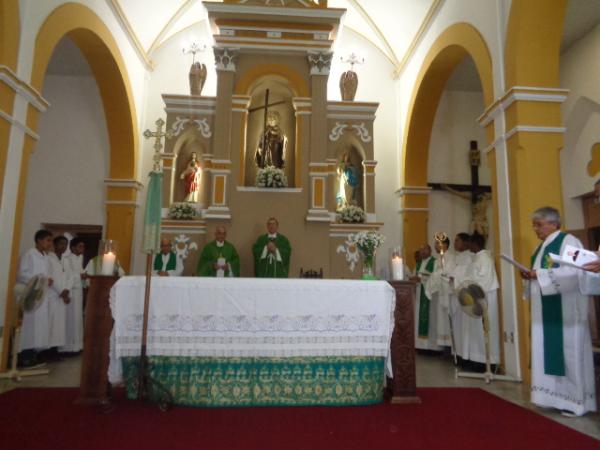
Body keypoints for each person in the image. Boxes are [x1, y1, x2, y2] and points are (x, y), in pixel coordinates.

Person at [520, 206, 596, 416]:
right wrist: (529, 276)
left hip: (566, 311)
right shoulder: (541, 247)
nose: (536, 229)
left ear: (554, 223)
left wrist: (539, 275)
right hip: (546, 310)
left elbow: (575, 271)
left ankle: (575, 402)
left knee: (570, 353)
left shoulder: (569, 241)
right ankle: (552, 397)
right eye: (534, 225)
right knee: (549, 351)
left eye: (539, 224)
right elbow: (543, 273)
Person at [458, 232, 500, 369]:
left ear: (475, 244)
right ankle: (475, 359)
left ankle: (486, 361)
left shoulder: (485, 259)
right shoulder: (477, 258)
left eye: (469, 242)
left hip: (484, 298)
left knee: (484, 330)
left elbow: (484, 281)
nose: (467, 245)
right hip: (475, 298)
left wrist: (468, 286)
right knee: (475, 331)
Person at [16, 230, 55, 366]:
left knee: (39, 328)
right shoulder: (29, 254)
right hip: (31, 295)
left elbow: (46, 275)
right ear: (39, 240)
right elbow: (22, 274)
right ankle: (24, 356)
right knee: (30, 326)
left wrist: (48, 281)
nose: (50, 244)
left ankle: (33, 354)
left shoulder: (46, 257)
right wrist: (41, 280)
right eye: (48, 240)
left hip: (41, 296)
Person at [425, 235, 455, 348]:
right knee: (440, 321)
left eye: (437, 243)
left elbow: (447, 272)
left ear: (445, 245)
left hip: (447, 293)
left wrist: (434, 276)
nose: (435, 246)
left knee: (448, 320)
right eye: (435, 243)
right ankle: (444, 346)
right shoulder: (437, 259)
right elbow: (437, 273)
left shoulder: (451, 257)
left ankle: (450, 346)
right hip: (439, 291)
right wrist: (434, 276)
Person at [410, 244, 441, 351]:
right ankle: (420, 346)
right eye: (421, 250)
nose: (422, 252)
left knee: (431, 320)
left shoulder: (435, 262)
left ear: (430, 251)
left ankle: (433, 347)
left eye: (424, 250)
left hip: (431, 296)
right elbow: (415, 276)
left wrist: (421, 279)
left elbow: (436, 278)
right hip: (419, 294)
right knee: (419, 319)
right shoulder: (418, 264)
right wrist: (413, 280)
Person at [448, 233, 474, 359]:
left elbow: (469, 277)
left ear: (466, 242)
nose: (455, 243)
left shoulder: (471, 257)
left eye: (457, 241)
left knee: (464, 328)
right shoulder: (456, 257)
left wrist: (454, 278)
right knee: (456, 326)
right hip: (455, 295)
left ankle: (464, 355)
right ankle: (457, 353)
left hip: (465, 296)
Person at [61, 237, 85, 353]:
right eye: (80, 246)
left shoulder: (79, 258)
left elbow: (80, 273)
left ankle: (77, 346)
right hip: (70, 291)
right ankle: (67, 347)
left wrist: (85, 277)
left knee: (77, 319)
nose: (82, 249)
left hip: (78, 292)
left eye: (83, 246)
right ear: (73, 247)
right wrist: (79, 277)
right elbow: (69, 275)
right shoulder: (67, 259)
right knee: (70, 319)